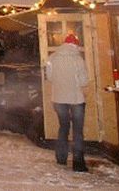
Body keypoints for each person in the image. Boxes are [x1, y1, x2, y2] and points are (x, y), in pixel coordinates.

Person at [45, 33, 89, 172]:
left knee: (63, 127)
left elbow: (50, 77)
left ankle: (61, 157)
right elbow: (84, 81)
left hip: (58, 98)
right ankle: (78, 163)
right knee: (77, 131)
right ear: (75, 44)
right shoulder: (78, 59)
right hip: (76, 99)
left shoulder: (52, 58)